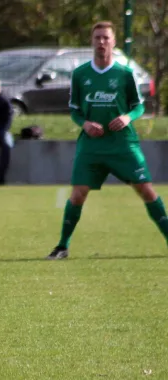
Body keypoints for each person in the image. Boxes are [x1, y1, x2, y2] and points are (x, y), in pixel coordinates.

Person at [46, 21, 168, 260]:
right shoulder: (80, 74)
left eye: (106, 38)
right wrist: (85, 124)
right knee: (78, 193)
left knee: (145, 190)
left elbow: (139, 107)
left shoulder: (125, 73)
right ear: (92, 42)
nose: (101, 42)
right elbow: (74, 110)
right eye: (97, 38)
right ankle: (62, 246)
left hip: (123, 143)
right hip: (92, 145)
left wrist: (126, 117)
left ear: (113, 42)